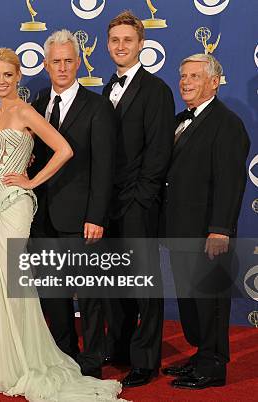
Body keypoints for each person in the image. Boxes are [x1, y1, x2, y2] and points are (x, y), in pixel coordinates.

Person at [0, 47, 123, 401]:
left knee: (13, 280)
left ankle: (26, 361)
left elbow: (64, 149)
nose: (0, 81)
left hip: (15, 203)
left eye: (7, 75)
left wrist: (31, 181)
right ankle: (6, 359)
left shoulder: (27, 109)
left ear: (19, 76)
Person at [30, 29, 116, 379]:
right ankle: (64, 353)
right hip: (42, 217)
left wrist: (96, 215)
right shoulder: (36, 105)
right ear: (47, 65)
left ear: (78, 63)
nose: (62, 67)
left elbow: (105, 167)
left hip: (81, 217)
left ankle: (93, 358)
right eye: (56, 62)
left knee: (91, 293)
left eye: (68, 60)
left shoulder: (97, 107)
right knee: (53, 292)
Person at [160, 54, 249, 390]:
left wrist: (220, 229)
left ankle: (213, 366)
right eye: (183, 76)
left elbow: (230, 182)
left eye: (195, 76)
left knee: (210, 301)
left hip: (208, 233)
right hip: (181, 230)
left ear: (214, 81)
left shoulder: (226, 124)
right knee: (191, 300)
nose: (186, 82)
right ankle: (201, 356)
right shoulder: (180, 119)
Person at [102, 11, 175, 387]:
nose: (120, 46)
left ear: (141, 44)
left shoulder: (157, 90)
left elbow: (159, 152)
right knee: (114, 281)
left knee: (145, 285)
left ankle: (146, 360)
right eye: (114, 40)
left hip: (138, 204)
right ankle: (120, 348)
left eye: (127, 40)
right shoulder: (105, 88)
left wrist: (141, 200)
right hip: (107, 205)